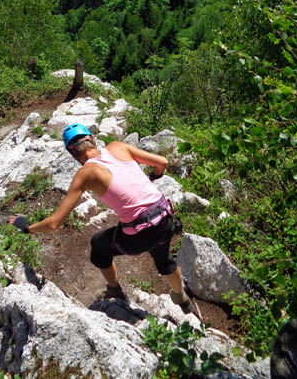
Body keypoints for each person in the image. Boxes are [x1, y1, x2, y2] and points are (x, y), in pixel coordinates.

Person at [10, 122, 200, 317]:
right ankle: (181, 297)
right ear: (91, 139)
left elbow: (53, 223)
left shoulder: (86, 173)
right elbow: (162, 162)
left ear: (72, 153)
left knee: (99, 246)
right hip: (166, 218)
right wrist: (154, 176)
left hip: (140, 233)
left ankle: (115, 290)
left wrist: (27, 227)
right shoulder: (118, 146)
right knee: (163, 257)